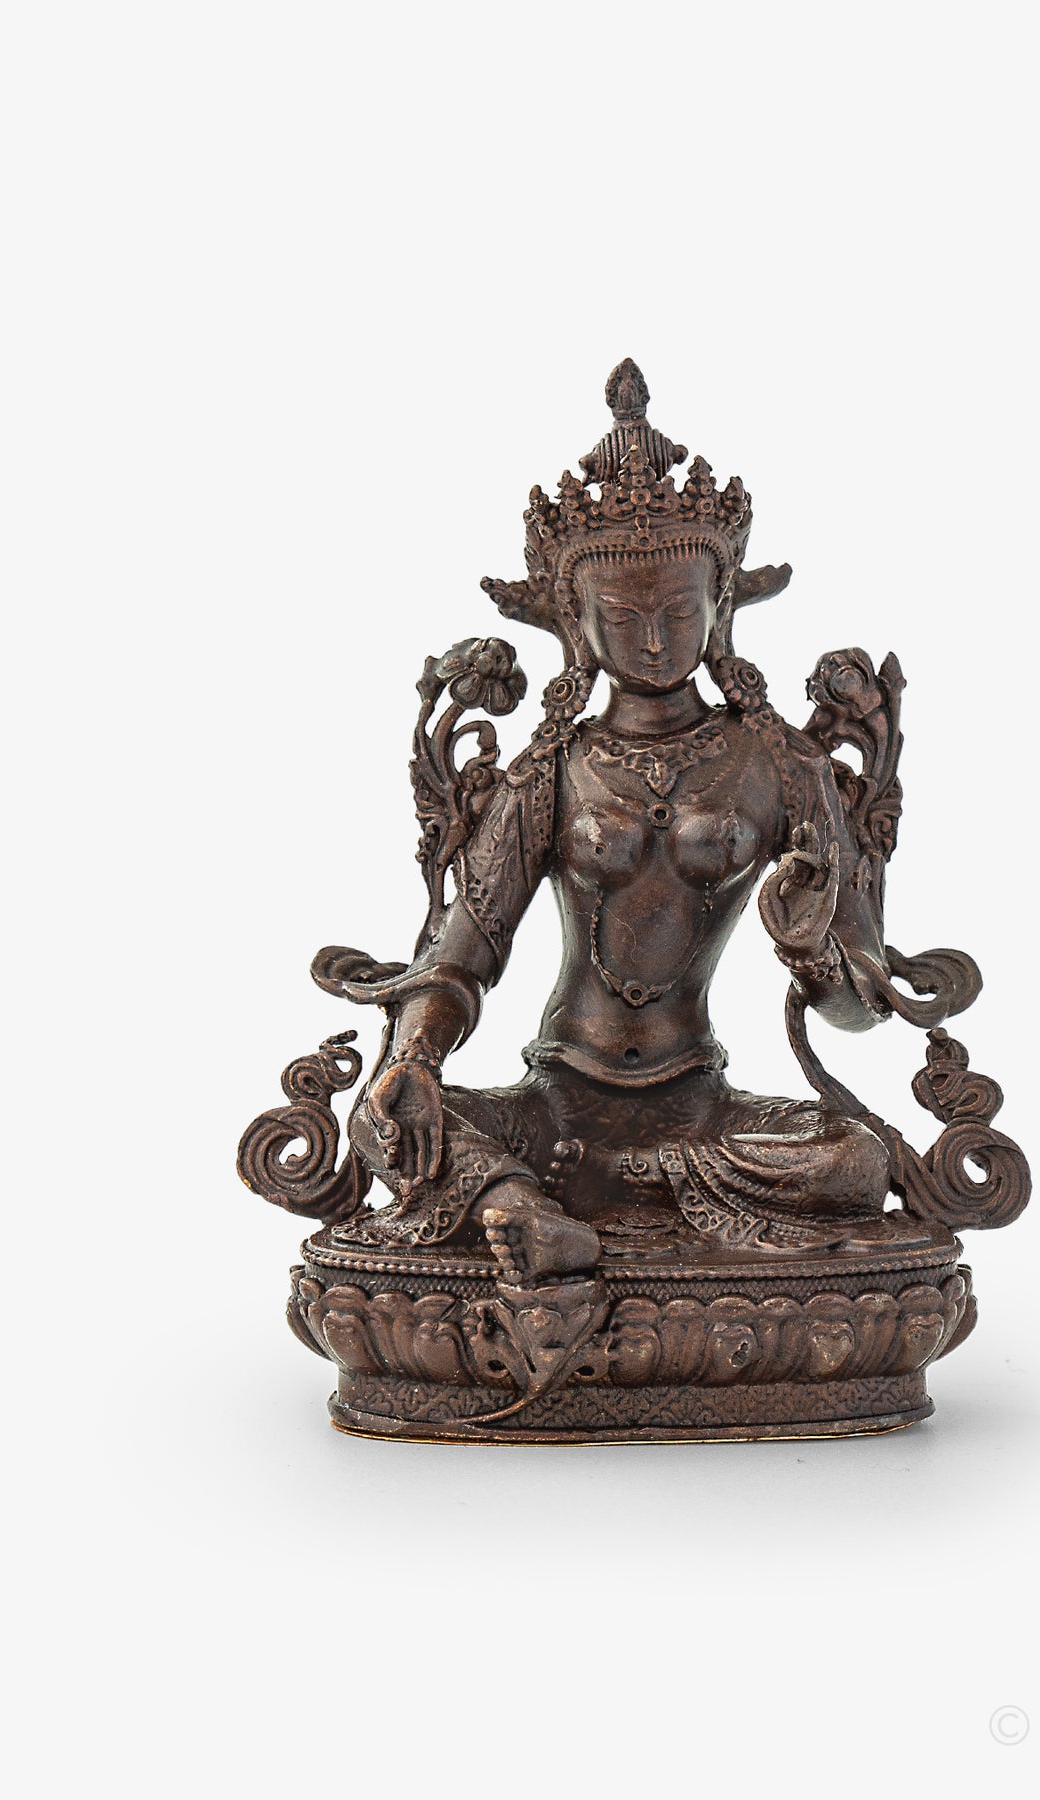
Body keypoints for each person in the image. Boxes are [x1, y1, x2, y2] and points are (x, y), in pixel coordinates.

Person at [327, 362, 924, 1282]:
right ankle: (528, 1205)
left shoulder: (780, 766)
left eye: (680, 611)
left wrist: (811, 944)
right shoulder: (550, 770)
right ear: (576, 622)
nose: (653, 638)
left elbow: (856, 1010)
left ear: (721, 609)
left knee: (858, 1162)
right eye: (623, 614)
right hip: (554, 1102)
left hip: (701, 1110)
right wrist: (414, 1056)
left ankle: (563, 1196)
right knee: (388, 1123)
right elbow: (460, 956)